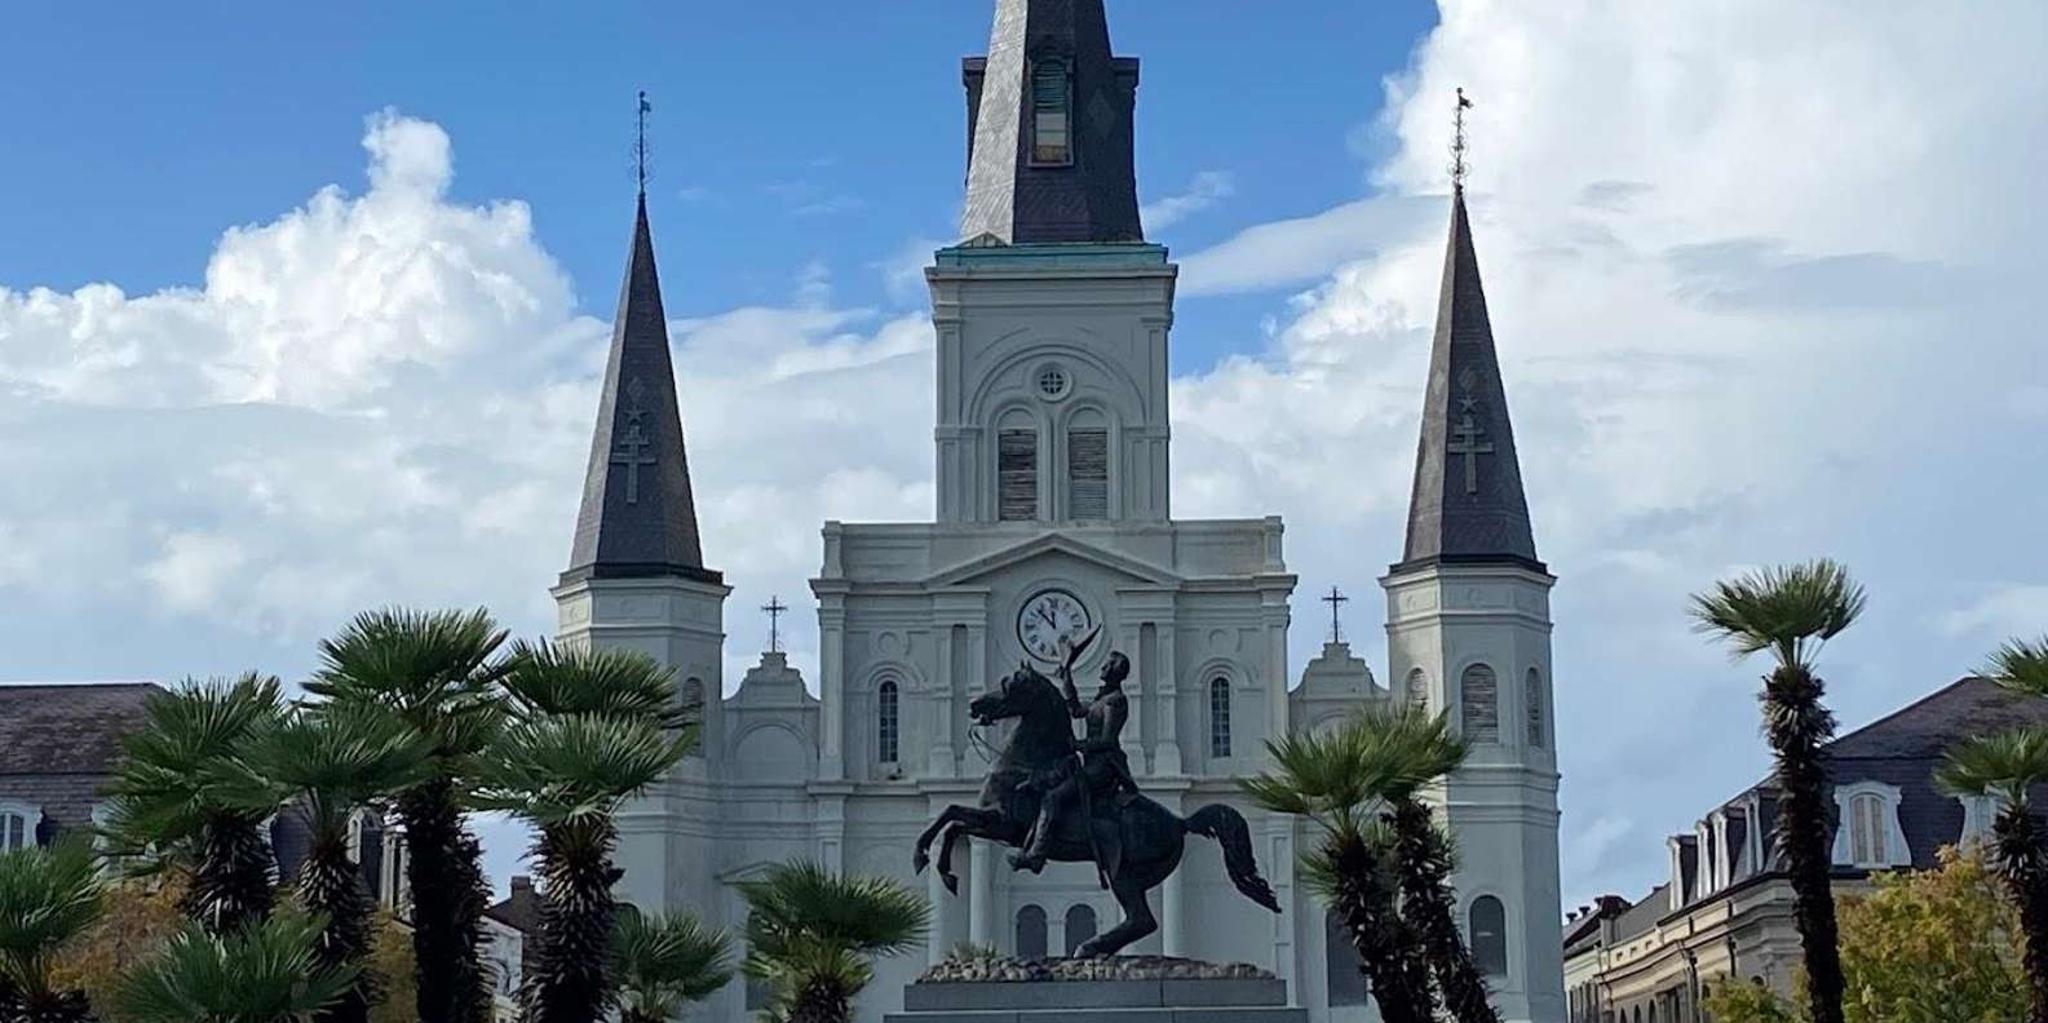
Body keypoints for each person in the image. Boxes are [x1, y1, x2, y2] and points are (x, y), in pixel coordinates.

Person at [1010, 647, 1136, 878]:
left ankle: (1036, 855)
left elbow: (1108, 740)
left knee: (1053, 797)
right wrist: (1066, 675)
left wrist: (1079, 745)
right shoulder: (1103, 698)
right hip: (1088, 763)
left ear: (1116, 673)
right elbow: (1076, 710)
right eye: (1105, 664)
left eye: (1107, 665)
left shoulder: (1115, 701)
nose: (1103, 667)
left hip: (1103, 768)